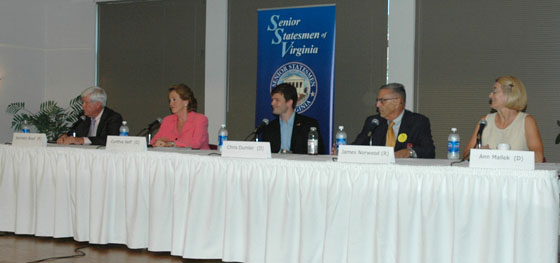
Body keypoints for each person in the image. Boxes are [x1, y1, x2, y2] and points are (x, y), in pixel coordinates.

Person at [463, 76, 544, 162]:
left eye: (494, 91)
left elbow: (538, 158)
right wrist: (478, 154)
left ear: (509, 94)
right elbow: (466, 154)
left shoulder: (527, 121)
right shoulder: (485, 121)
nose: (490, 95)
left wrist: (498, 157)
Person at [352, 83, 435, 158]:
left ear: (396, 102)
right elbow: (357, 146)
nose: (377, 105)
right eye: (377, 101)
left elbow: (429, 151)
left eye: (382, 101)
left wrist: (410, 152)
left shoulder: (417, 122)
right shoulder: (373, 121)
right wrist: (342, 150)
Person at [261, 83, 325, 154]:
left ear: (289, 103)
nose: (272, 103)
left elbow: (319, 152)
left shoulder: (308, 125)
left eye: (277, 100)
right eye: (272, 100)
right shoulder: (269, 128)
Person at [57, 86, 123, 146]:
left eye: (86, 103)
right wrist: (65, 137)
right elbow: (74, 131)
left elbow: (111, 140)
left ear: (98, 104)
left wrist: (82, 140)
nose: (82, 106)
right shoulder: (83, 117)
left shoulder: (113, 118)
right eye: (82, 103)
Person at [151, 84, 210, 149]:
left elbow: (195, 144)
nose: (171, 104)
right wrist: (158, 142)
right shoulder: (167, 120)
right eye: (170, 100)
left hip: (197, 158)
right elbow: (153, 142)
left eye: (174, 100)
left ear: (185, 102)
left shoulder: (200, 120)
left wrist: (171, 143)